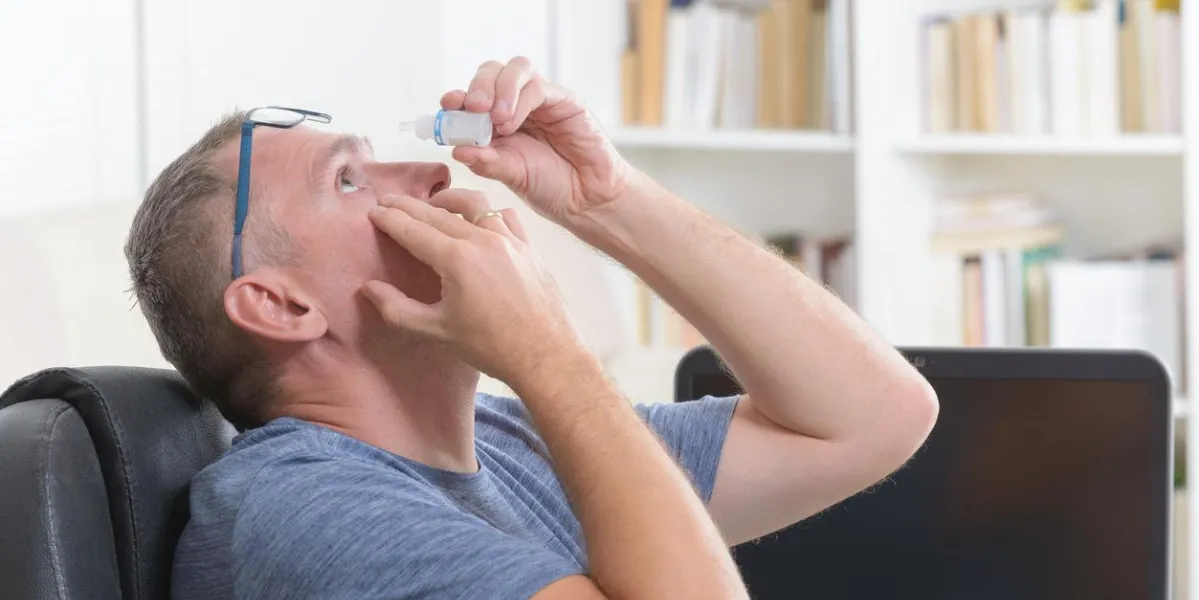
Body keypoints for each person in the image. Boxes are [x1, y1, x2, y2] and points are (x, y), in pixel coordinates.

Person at [125, 57, 939, 600]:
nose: (431, 174)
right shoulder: (303, 508)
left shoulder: (512, 443)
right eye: (348, 179)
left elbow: (876, 417)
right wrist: (546, 352)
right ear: (283, 306)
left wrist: (608, 198)